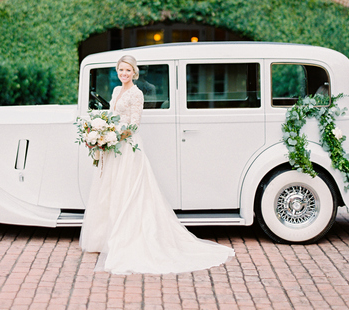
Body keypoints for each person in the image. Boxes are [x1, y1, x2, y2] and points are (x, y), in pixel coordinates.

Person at [79, 54, 235, 275]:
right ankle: (104, 237)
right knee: (110, 188)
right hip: (113, 148)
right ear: (117, 71)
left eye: (128, 70)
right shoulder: (115, 91)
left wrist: (112, 136)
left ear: (134, 72)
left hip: (126, 146)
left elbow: (134, 125)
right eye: (120, 70)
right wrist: (102, 133)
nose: (124, 74)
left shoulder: (136, 93)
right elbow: (112, 115)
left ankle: (127, 237)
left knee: (129, 190)